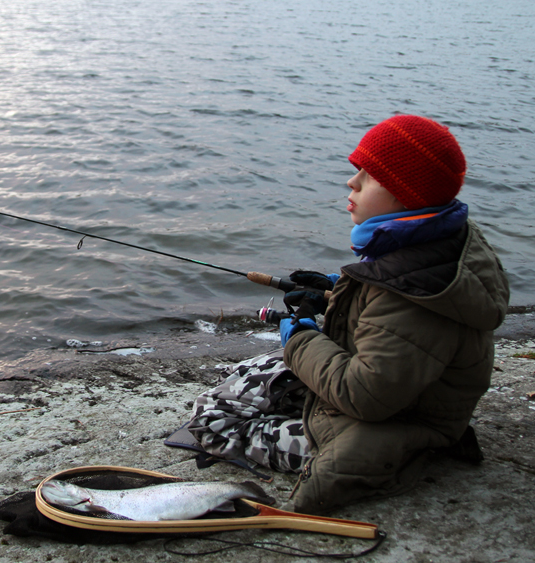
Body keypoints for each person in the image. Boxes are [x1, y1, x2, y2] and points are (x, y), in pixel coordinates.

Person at [189, 114, 510, 514]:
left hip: (387, 430)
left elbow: (366, 396)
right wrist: (333, 292)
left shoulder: (417, 294)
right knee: (240, 377)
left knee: (212, 419)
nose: (351, 182)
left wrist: (300, 339)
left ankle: (406, 458)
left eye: (368, 176)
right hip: (403, 399)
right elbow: (386, 319)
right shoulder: (438, 247)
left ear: (405, 193)